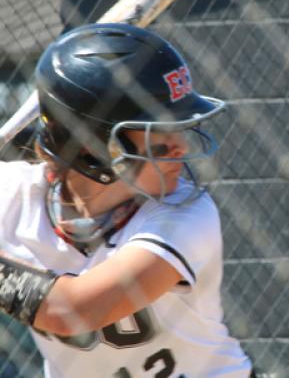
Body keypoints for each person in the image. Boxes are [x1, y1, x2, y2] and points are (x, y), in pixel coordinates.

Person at [0, 23, 254, 377]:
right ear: (93, 146)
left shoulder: (184, 214)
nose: (180, 146)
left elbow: (75, 310)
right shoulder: (14, 197)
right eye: (157, 132)